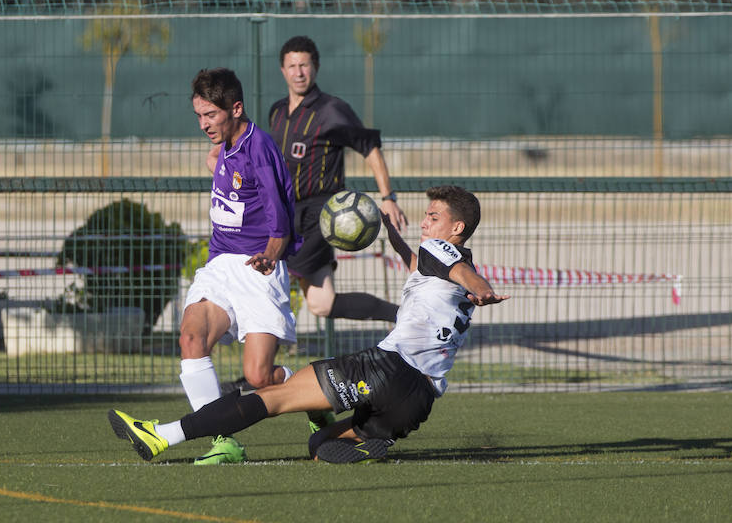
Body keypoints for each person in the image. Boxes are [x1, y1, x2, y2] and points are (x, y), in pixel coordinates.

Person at [108, 186, 510, 464]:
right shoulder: (436, 267)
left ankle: (164, 434)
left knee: (274, 397)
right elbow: (433, 270)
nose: (425, 223)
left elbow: (462, 273)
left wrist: (483, 289)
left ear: (456, 229)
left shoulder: (442, 251)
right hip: (416, 401)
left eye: (433, 217)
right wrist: (392, 235)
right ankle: (373, 443)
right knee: (319, 444)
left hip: (387, 369)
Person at [175, 67, 301, 465]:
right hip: (220, 265)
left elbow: (280, 216)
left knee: (259, 378)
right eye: (198, 116)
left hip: (257, 266)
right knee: (191, 340)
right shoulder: (225, 147)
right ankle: (223, 440)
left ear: (236, 108)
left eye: (210, 115)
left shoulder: (258, 146)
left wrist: (271, 253)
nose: (203, 124)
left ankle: (315, 395)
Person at [267, 35, 408, 324]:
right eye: (292, 65)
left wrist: (388, 198)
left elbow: (369, 148)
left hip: (321, 214)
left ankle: (262, 363)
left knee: (272, 272)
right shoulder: (277, 111)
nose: (298, 72)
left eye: (304, 65)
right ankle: (407, 316)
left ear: (315, 67)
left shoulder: (331, 110)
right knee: (322, 303)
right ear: (282, 70)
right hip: (286, 213)